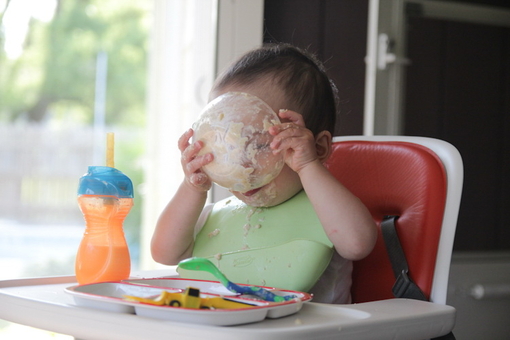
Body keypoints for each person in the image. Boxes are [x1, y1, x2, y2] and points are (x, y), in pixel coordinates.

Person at [151, 43, 377, 304]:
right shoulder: (218, 215)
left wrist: (307, 167)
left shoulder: (328, 212)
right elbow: (163, 253)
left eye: (260, 145)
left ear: (316, 147)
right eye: (226, 148)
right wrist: (192, 188)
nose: (245, 165)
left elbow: (358, 244)